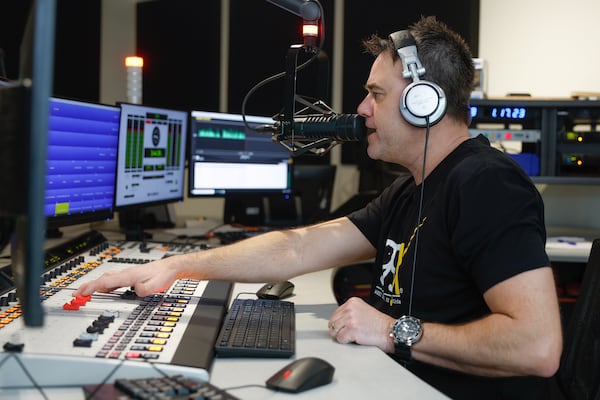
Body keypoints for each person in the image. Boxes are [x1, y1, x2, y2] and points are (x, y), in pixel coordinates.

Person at [75, 16, 563, 399]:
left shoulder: (486, 183)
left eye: (376, 94)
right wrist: (177, 267)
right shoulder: (415, 186)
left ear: (424, 103)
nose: (362, 109)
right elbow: (299, 246)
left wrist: (395, 331)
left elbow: (537, 349)